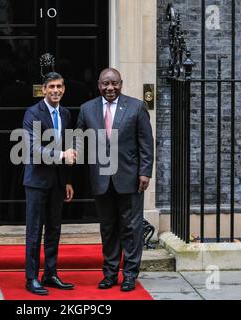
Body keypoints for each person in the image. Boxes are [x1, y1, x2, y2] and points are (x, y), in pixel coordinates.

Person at [76, 68, 154, 291]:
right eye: (105, 84)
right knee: (108, 228)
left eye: (114, 83)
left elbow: (146, 143)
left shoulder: (136, 106)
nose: (110, 88)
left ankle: (130, 274)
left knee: (131, 228)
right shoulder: (87, 109)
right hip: (101, 179)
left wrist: (145, 172)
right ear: (98, 85)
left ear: (121, 83)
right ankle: (110, 274)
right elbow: (80, 142)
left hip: (129, 178)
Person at [23, 72, 77, 295]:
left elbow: (68, 145)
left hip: (57, 182)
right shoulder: (33, 113)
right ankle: (31, 278)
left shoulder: (65, 113)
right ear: (44, 90)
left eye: (60, 87)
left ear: (64, 89)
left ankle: (50, 273)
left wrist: (67, 181)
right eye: (52, 87)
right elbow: (33, 150)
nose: (56, 90)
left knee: (54, 229)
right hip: (36, 181)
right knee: (35, 231)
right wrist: (63, 154)